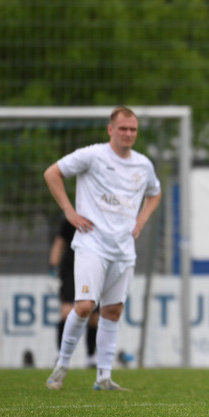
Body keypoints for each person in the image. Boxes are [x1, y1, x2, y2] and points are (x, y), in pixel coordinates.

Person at [43, 106, 162, 392]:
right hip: (91, 244)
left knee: (112, 311)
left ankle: (103, 377)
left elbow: (155, 193)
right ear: (111, 130)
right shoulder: (92, 155)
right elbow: (52, 173)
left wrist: (141, 220)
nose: (128, 134)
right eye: (123, 128)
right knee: (84, 306)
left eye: (133, 129)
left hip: (123, 249)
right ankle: (61, 366)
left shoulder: (143, 165)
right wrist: (69, 212)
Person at [49, 214, 98, 368]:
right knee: (66, 312)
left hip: (94, 270)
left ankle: (91, 356)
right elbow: (59, 243)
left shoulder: (101, 219)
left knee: (94, 317)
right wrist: (53, 268)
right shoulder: (71, 219)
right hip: (70, 271)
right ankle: (62, 355)